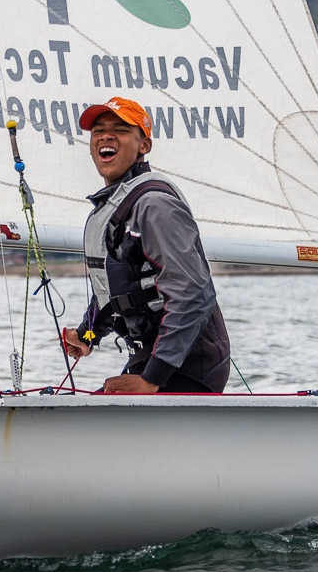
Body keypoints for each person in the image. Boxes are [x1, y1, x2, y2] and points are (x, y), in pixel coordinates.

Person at [61, 96, 230, 393]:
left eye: (120, 130)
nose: (106, 136)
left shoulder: (154, 205)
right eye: (98, 131)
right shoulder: (115, 205)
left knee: (85, 415)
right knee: (83, 410)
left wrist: (152, 379)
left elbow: (193, 293)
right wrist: (87, 335)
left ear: (144, 146)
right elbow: (116, 290)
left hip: (187, 366)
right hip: (154, 361)